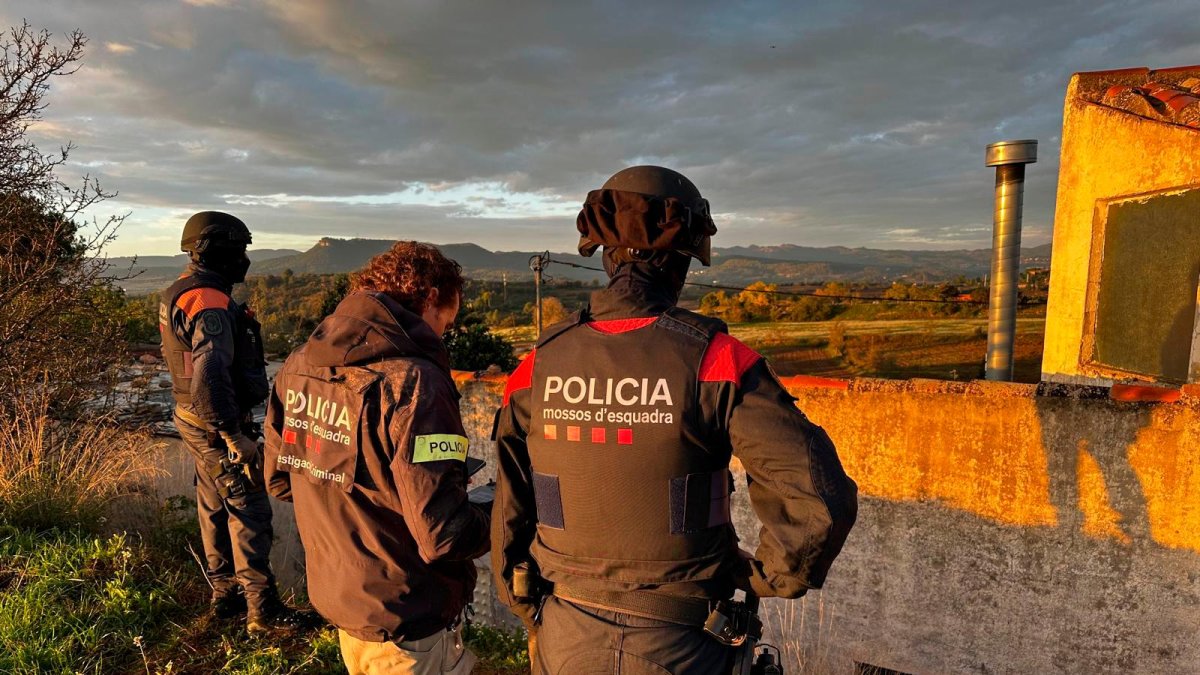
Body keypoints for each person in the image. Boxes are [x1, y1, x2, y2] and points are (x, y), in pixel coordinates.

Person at [491, 166, 858, 674]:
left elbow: (510, 502)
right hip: (686, 644)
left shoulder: (536, 365)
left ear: (605, 253)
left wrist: (529, 609)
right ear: (682, 260)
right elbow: (820, 494)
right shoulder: (717, 362)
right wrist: (768, 577)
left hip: (563, 635)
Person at [263, 241, 491, 674]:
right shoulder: (414, 383)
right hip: (408, 615)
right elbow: (445, 536)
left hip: (342, 601)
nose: (442, 336)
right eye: (446, 322)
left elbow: (280, 480)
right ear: (428, 300)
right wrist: (502, 510)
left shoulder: (299, 365)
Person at [160, 210, 295, 632]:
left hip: (191, 417)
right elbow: (212, 372)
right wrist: (234, 434)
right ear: (215, 249)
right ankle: (262, 611)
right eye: (240, 248)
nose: (245, 258)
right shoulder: (210, 302)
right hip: (216, 423)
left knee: (214, 504)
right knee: (248, 508)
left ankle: (225, 596)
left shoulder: (179, 291)